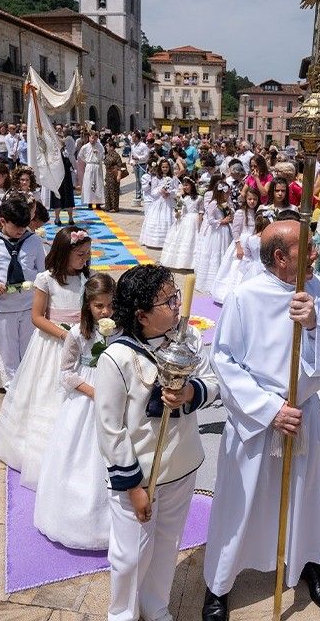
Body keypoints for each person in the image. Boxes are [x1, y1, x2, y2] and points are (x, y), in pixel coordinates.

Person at [202, 221, 320, 621]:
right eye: (305, 249)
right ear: (279, 256)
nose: (314, 255)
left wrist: (314, 325)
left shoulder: (318, 291)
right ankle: (218, 584)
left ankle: (307, 563)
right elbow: (223, 361)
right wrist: (270, 409)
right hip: (258, 421)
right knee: (241, 501)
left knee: (305, 497)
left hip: (304, 413)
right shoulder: (245, 296)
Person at [95, 266, 219, 621]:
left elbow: (213, 382)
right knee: (131, 554)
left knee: (167, 542)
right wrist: (133, 486)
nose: (177, 304)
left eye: (175, 295)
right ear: (142, 314)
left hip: (182, 462)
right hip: (140, 473)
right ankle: (122, 613)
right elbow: (110, 429)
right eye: (168, 300)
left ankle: (155, 603)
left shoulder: (189, 339)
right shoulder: (117, 357)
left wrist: (191, 392)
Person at [0, 226, 91, 488]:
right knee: (49, 391)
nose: (84, 259)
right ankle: (39, 455)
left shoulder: (86, 280)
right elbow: (37, 317)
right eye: (80, 254)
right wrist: (64, 336)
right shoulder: (46, 279)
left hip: (80, 341)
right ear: (63, 253)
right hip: (53, 344)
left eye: (86, 254)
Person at [34, 273, 116, 550]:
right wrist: (94, 392)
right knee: (82, 456)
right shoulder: (77, 335)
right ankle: (77, 521)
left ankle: (112, 518)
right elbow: (66, 374)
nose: (106, 312)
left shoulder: (120, 331)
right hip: (85, 402)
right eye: (99, 306)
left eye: (110, 305)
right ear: (88, 306)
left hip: (114, 395)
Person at [0, 197, 47, 387]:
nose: (21, 231)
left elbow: (43, 271)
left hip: (29, 305)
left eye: (25, 226)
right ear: (3, 221)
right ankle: (12, 386)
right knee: (9, 350)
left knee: (29, 347)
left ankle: (28, 384)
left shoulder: (34, 241)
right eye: (16, 226)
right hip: (3, 306)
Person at [213, 186, 261, 303]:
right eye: (249, 199)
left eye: (254, 199)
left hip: (253, 243)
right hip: (241, 243)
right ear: (246, 199)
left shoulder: (258, 213)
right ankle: (230, 295)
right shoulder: (240, 212)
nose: (252, 202)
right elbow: (235, 231)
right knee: (236, 267)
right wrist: (238, 247)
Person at [193, 179, 233, 294]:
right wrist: (222, 221)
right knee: (215, 253)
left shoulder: (226, 204)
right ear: (221, 193)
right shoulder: (213, 204)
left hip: (225, 232)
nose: (228, 195)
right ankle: (211, 283)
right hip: (216, 233)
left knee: (224, 252)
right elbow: (210, 220)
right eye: (227, 193)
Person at [160, 176, 202, 269]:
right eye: (184, 185)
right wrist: (177, 213)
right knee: (181, 238)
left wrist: (200, 222)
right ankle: (180, 262)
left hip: (194, 220)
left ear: (192, 185)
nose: (185, 187)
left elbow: (201, 211)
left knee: (192, 239)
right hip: (184, 219)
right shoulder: (182, 198)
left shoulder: (199, 198)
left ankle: (192, 264)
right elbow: (179, 209)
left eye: (187, 185)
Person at [138, 159, 178, 249]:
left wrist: (170, 193)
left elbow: (177, 190)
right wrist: (161, 190)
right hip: (158, 202)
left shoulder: (173, 178)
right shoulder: (156, 178)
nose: (165, 169)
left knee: (169, 218)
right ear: (160, 167)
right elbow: (153, 193)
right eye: (163, 167)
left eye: (166, 167)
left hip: (169, 202)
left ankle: (169, 241)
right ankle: (155, 241)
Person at [77, 133, 105, 210]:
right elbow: (80, 155)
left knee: (98, 184)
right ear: (89, 138)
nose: (93, 140)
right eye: (92, 138)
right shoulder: (85, 147)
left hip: (97, 166)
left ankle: (98, 203)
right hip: (89, 166)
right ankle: (89, 202)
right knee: (89, 184)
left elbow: (103, 156)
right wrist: (86, 161)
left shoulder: (100, 146)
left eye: (95, 139)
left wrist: (98, 153)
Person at [103, 139, 124, 212]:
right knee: (107, 191)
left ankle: (114, 207)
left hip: (114, 175)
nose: (106, 147)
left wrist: (119, 176)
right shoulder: (107, 154)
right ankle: (108, 206)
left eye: (108, 146)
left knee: (114, 191)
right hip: (108, 175)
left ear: (112, 147)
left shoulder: (116, 155)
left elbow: (120, 166)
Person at [130, 135, 150, 205]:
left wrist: (138, 158)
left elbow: (146, 155)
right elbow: (131, 155)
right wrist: (131, 162)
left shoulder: (143, 145)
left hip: (142, 164)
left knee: (142, 179)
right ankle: (138, 194)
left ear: (137, 137)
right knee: (137, 180)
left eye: (133, 137)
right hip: (136, 165)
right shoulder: (133, 146)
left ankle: (143, 194)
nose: (132, 138)